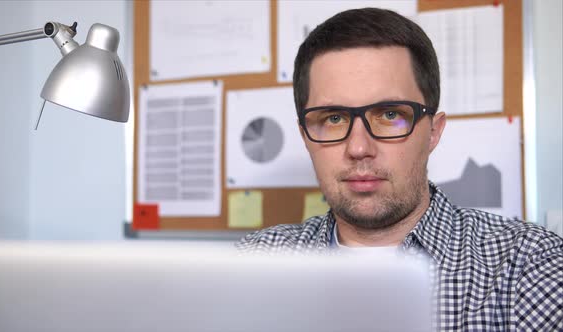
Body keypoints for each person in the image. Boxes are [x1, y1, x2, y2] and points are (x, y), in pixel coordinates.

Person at [236, 7, 563, 330]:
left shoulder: (526, 266)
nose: (359, 148)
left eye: (390, 115)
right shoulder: (256, 263)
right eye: (333, 119)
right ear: (305, 136)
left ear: (434, 131)